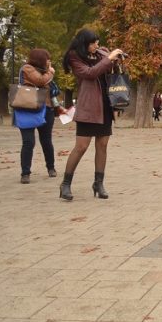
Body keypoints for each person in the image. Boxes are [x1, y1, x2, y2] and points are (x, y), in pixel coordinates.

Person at [59, 29, 125, 201]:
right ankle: (65, 184)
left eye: (97, 42)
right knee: (81, 146)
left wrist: (116, 59)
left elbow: (110, 69)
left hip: (105, 105)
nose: (97, 45)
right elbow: (90, 73)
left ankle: (98, 183)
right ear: (84, 43)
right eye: (93, 42)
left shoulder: (101, 53)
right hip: (88, 107)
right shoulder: (75, 57)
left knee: (102, 145)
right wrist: (108, 59)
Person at [17, 49, 58, 184]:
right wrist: (50, 72)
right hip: (28, 108)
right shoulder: (27, 68)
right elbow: (40, 81)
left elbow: (52, 90)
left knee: (46, 140)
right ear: (40, 59)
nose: (49, 62)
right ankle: (25, 173)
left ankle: (51, 168)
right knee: (28, 142)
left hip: (46, 109)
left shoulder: (44, 71)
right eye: (47, 59)